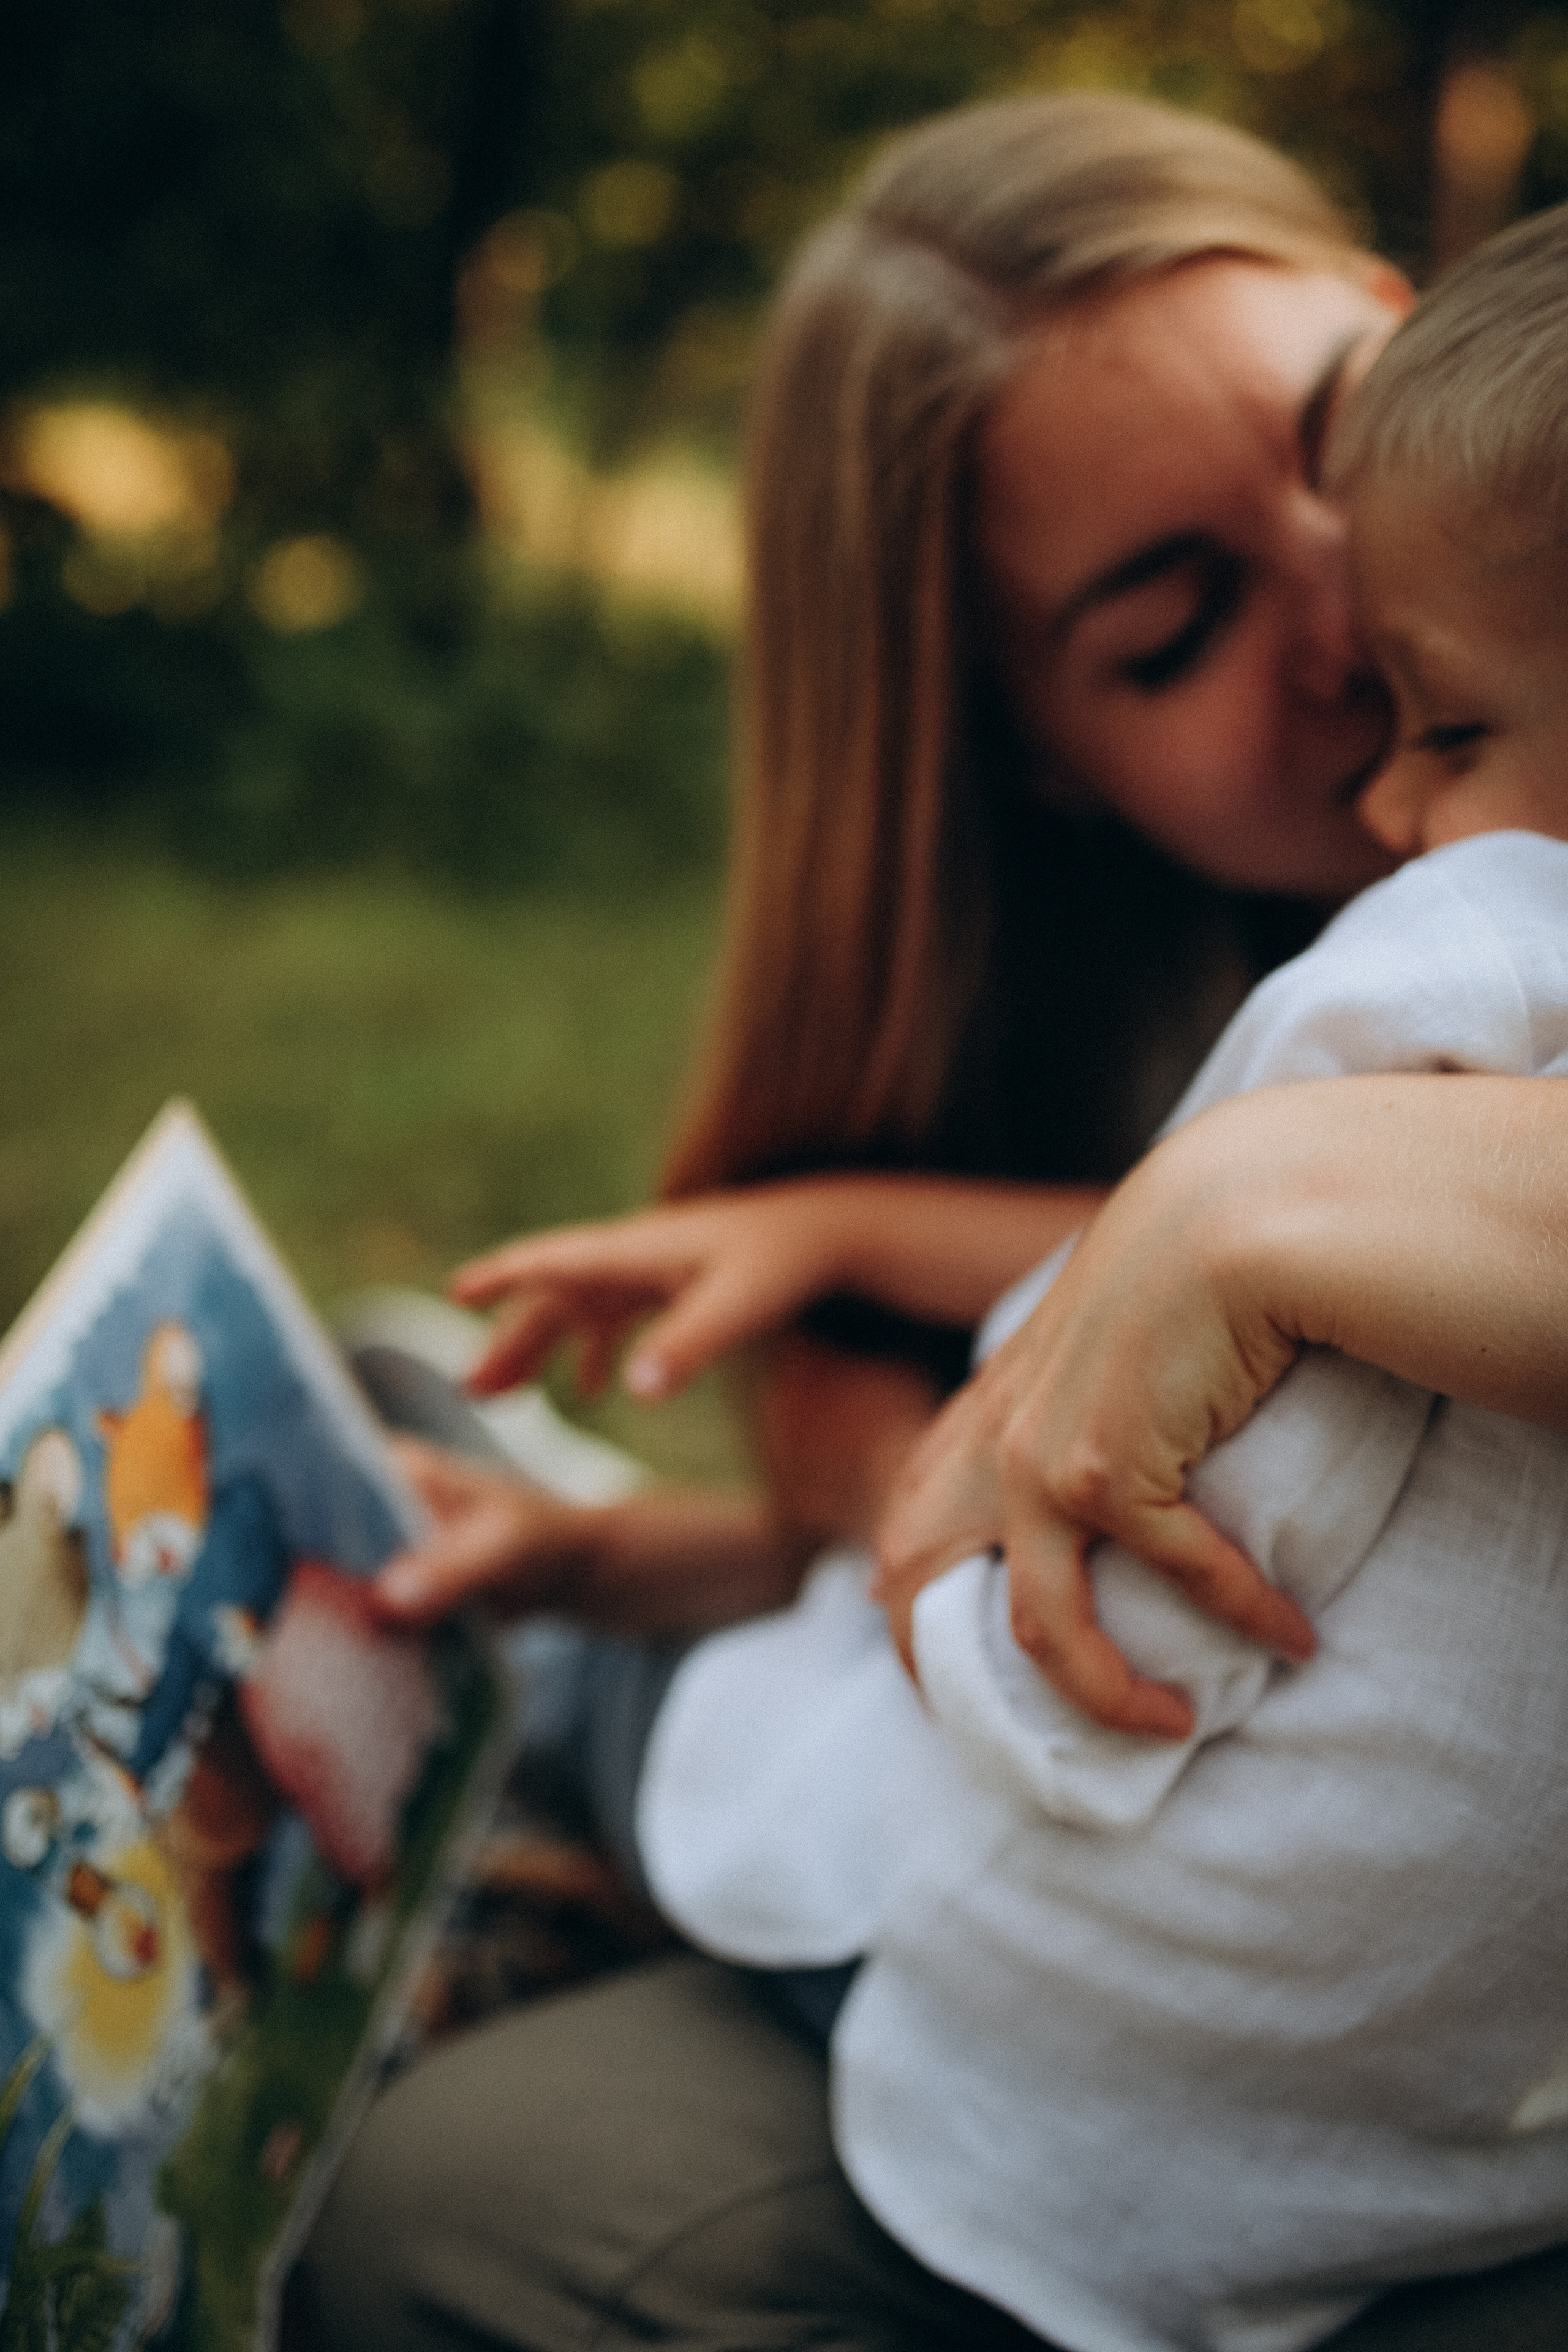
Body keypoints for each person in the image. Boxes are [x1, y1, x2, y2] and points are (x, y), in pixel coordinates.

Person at [298, 96, 1568, 2352]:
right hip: (1042, 1899)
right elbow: (981, 1571)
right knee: (459, 2186)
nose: (1353, 623)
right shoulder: (1167, 992)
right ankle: (565, 1626)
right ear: (1033, 761)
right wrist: (669, 1538)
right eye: (1174, 629)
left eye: (1342, 435)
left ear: (1414, 322)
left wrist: (1260, 1192)